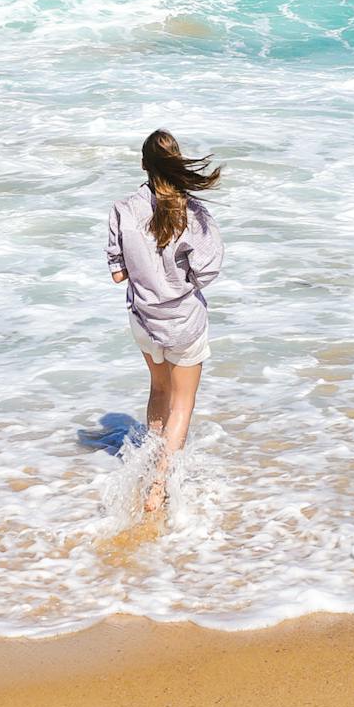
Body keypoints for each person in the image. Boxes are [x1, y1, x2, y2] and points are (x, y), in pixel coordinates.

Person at [105, 129, 224, 513]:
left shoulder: (123, 209)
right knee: (182, 403)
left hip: (143, 319)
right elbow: (206, 273)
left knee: (158, 390)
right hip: (183, 320)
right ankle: (159, 485)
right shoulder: (193, 213)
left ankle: (146, 466)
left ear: (143, 164)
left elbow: (118, 274)